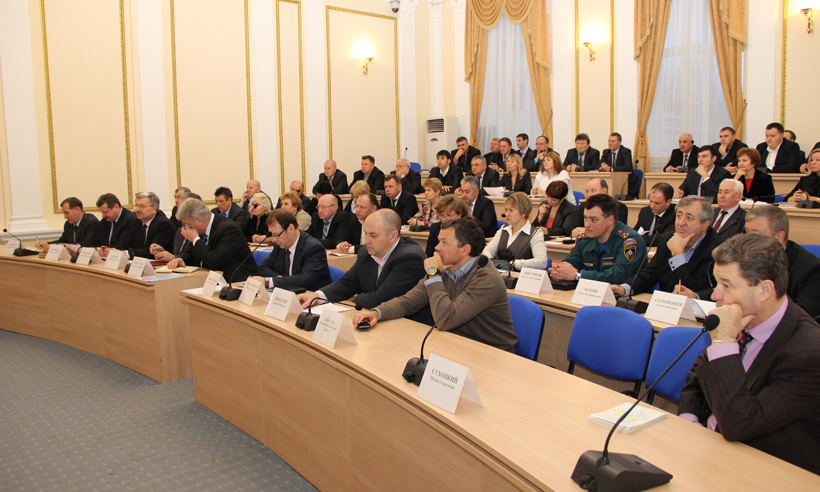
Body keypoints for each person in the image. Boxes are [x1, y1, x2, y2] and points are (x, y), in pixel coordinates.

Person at [678, 233, 820, 474]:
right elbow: (698, 378)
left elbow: (740, 425)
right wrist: (689, 422)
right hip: (713, 446)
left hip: (766, 468)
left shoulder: (808, 354)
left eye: (726, 285)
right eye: (716, 283)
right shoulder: (743, 317)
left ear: (764, 290)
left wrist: (724, 341)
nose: (715, 295)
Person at [353, 218, 517, 352]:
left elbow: (445, 319)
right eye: (439, 241)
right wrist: (377, 312)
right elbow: (408, 301)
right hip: (456, 345)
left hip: (492, 353)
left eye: (444, 243)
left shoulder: (485, 277)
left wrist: (433, 274)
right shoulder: (445, 269)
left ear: (465, 250)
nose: (437, 247)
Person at [298, 209, 426, 310]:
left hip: (408, 325)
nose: (366, 241)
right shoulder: (366, 252)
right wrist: (317, 296)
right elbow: (347, 283)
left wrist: (354, 298)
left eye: (373, 236)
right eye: (366, 234)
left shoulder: (410, 258)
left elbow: (381, 299)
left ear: (393, 236)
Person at [612, 196, 720, 300]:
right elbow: (650, 274)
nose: (681, 223)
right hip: (665, 304)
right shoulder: (667, 239)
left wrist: (678, 256)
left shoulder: (716, 249)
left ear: (705, 224)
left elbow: (695, 290)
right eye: (679, 216)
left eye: (689, 218)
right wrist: (624, 289)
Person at [550, 194, 647, 285]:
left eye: (593, 220)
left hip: (623, 295)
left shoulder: (630, 241)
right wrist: (559, 269)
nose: (587, 224)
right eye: (585, 218)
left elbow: (618, 277)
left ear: (610, 220)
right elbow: (571, 262)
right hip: (592, 292)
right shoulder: (585, 238)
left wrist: (578, 275)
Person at [744, 206, 820, 319]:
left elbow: (802, 314)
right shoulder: (743, 256)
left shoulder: (810, 268)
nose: (747, 240)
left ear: (779, 237)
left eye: (755, 234)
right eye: (746, 232)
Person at [167, 198, 255, 282]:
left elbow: (215, 261)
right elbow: (191, 252)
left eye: (188, 224)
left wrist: (195, 239)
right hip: (209, 280)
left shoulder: (228, 229)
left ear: (199, 220)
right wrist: (181, 259)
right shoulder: (200, 229)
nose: (187, 228)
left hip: (235, 281)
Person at [250, 210, 332, 292]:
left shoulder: (313, 248)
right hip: (289, 294)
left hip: (312, 295)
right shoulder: (280, 245)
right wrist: (281, 280)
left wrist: (269, 282)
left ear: (290, 228)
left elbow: (305, 280)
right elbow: (262, 268)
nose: (274, 240)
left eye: (276, 235)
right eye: (272, 235)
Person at [482, 192, 547, 271]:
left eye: (511, 210)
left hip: (521, 276)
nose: (507, 214)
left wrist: (516, 264)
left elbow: (542, 262)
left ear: (524, 212)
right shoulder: (503, 229)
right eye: (506, 210)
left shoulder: (535, 233)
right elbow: (488, 250)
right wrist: (491, 261)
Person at [35, 197, 99, 252]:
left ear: (77, 210)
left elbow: (87, 244)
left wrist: (67, 247)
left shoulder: (91, 222)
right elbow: (62, 241)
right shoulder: (68, 224)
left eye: (67, 213)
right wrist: (46, 244)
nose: (65, 217)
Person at [151, 191, 200, 262]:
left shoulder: (202, 233)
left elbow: (196, 261)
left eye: (185, 209)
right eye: (180, 209)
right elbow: (179, 254)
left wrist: (174, 257)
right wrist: (163, 251)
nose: (181, 213)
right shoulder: (180, 232)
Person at [128, 191, 174, 259]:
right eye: (136, 206)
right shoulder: (136, 222)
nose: (137, 210)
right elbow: (128, 243)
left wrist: (128, 254)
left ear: (154, 208)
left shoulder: (163, 224)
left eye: (142, 206)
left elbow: (152, 252)